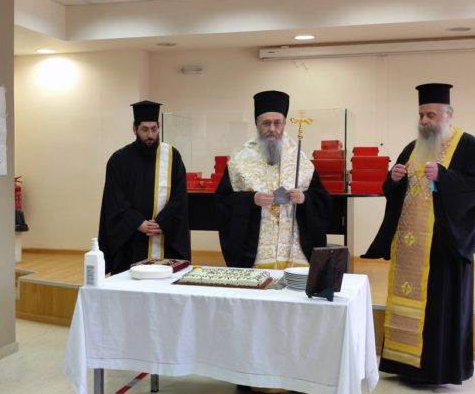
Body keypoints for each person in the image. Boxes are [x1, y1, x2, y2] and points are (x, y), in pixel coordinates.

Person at [364, 83, 475, 385]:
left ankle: (438, 370)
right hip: (410, 247)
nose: (424, 121)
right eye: (421, 115)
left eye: (431, 115)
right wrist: (393, 180)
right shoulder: (413, 147)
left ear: (449, 114)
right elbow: (393, 191)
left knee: (438, 310)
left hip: (443, 247)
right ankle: (404, 366)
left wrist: (445, 177)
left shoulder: (468, 146)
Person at [215, 90, 331, 270]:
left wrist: (305, 199)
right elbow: (222, 202)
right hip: (254, 253)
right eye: (266, 123)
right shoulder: (239, 161)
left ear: (284, 124)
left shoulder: (300, 160)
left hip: (295, 252)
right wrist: (251, 200)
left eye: (277, 123)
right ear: (257, 123)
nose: (272, 129)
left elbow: (322, 200)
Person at [98, 100, 190, 275]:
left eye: (154, 129)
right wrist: (137, 222)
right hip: (132, 236)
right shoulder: (119, 160)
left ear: (159, 127)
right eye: (145, 130)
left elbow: (180, 196)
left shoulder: (172, 156)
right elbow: (115, 199)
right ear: (135, 129)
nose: (150, 135)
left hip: (164, 234)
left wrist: (162, 221)